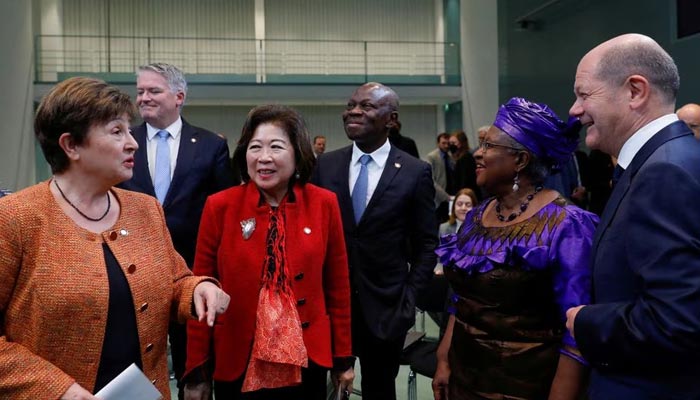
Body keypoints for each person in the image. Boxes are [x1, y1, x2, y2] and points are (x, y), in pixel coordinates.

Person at [0, 77, 230, 399]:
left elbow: (176, 280)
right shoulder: (16, 217)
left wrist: (200, 288)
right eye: (116, 131)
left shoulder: (145, 209)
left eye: (129, 129)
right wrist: (57, 388)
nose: (133, 142)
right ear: (71, 145)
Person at [433, 97, 598, 400]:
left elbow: (576, 332)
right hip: (464, 380)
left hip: (527, 386)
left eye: (489, 146)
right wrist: (443, 358)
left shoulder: (568, 226)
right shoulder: (476, 217)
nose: (478, 154)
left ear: (520, 160)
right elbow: (462, 298)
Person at [184, 105, 354, 400]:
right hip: (236, 357)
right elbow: (200, 291)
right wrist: (196, 371)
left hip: (307, 360)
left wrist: (343, 359)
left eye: (276, 147)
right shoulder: (220, 206)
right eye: (255, 147)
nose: (263, 158)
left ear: (298, 153)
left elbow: (338, 288)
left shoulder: (324, 204)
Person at [565, 33, 700, 399]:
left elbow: (677, 322)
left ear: (635, 91)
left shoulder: (664, 172)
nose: (574, 110)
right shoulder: (664, 161)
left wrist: (585, 321)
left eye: (583, 94)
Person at [312, 82, 437, 400]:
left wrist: (409, 300)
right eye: (351, 104)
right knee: (322, 390)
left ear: (391, 119)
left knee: (380, 390)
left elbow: (426, 244)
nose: (353, 111)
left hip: (386, 309)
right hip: (327, 306)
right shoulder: (324, 166)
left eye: (366, 106)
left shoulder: (414, 171)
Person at [118, 62, 236, 397]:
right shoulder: (124, 142)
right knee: (135, 368)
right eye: (140, 91)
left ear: (179, 96)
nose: (143, 98)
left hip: (193, 274)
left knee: (193, 372)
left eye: (153, 91)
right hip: (134, 271)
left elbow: (223, 210)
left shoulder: (211, 145)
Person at [426, 132, 456, 223]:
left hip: (451, 194)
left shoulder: (450, 156)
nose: (446, 146)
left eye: (448, 143)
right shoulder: (432, 157)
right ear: (438, 143)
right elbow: (431, 179)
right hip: (438, 196)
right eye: (443, 143)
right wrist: (445, 196)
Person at [449, 131, 478, 199]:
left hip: (466, 195)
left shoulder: (465, 158)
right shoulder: (457, 158)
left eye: (454, 143)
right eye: (450, 143)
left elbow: (464, 181)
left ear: (461, 143)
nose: (451, 145)